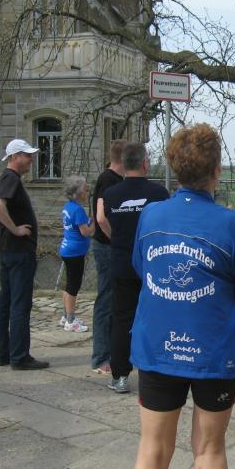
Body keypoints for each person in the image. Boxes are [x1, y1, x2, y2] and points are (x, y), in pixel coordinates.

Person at [127, 123, 235, 469]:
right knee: (208, 449)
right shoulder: (231, 224)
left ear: (175, 168)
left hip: (158, 346)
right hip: (214, 352)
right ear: (216, 171)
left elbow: (142, 269)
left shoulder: (151, 215)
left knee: (152, 451)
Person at [100, 142, 169, 393]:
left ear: (123, 163)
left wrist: (117, 239)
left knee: (121, 318)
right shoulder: (159, 193)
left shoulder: (111, 194)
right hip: (151, 263)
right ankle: (158, 372)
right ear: (144, 164)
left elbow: (100, 219)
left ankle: (120, 376)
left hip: (122, 263)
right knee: (155, 316)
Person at [0, 139, 49, 370]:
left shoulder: (4, 179)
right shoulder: (11, 178)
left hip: (8, 250)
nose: (31, 160)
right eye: (27, 155)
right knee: (20, 305)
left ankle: (2, 353)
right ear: (15, 157)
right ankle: (19, 356)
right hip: (19, 251)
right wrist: (14, 229)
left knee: (5, 302)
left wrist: (4, 226)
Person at [90, 140, 126, 374]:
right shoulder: (108, 179)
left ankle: (111, 353)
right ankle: (101, 357)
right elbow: (101, 217)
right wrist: (115, 238)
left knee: (113, 300)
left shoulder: (113, 179)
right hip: (106, 247)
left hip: (107, 246)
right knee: (105, 300)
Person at [58, 175, 95, 332]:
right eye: (85, 190)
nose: (87, 192)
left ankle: (66, 316)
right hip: (75, 252)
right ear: (78, 193)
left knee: (68, 285)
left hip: (67, 249)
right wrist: (95, 223)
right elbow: (85, 231)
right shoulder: (78, 210)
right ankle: (71, 321)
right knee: (73, 287)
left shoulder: (68, 207)